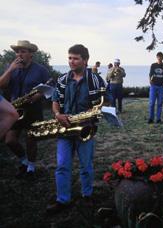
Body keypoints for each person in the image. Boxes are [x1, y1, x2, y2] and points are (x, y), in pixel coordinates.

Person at [47, 44, 108, 214]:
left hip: (85, 128)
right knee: (62, 165)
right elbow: (55, 101)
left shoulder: (96, 80)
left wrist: (92, 115)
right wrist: (57, 114)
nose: (71, 61)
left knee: (86, 165)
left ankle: (86, 195)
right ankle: (62, 199)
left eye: (75, 58)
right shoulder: (62, 79)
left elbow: (104, 102)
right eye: (69, 58)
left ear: (85, 60)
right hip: (65, 128)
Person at [0, 40, 50, 178]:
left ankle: (31, 168)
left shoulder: (41, 70)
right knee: (9, 140)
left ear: (31, 54)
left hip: (33, 108)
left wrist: (38, 96)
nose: (19, 54)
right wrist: (10, 69)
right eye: (17, 51)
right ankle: (24, 160)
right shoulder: (11, 68)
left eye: (23, 51)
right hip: (14, 109)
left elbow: (50, 87)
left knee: (31, 140)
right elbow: (2, 85)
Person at [148, 52, 163, 124]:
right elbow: (150, 74)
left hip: (161, 87)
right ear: (157, 57)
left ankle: (158, 119)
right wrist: (150, 80)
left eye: (161, 57)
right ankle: (151, 118)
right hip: (153, 86)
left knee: (160, 103)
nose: (160, 58)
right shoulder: (153, 65)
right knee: (152, 103)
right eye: (158, 57)